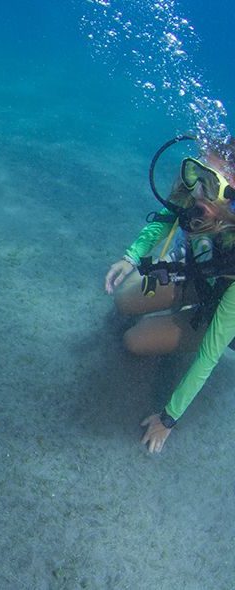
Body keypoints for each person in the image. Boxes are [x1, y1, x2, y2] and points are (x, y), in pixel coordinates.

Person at [104, 138, 235, 453]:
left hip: (221, 312)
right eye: (198, 173)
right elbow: (165, 218)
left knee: (135, 341)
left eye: (211, 183)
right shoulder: (196, 197)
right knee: (124, 297)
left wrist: (169, 418)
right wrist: (132, 256)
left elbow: (210, 354)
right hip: (194, 276)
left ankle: (188, 323)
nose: (198, 190)